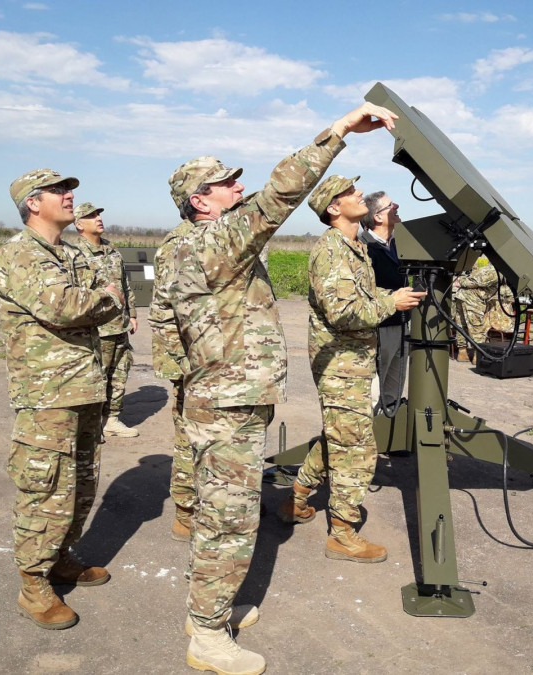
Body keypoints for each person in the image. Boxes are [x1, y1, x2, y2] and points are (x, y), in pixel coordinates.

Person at [167, 102, 399, 675]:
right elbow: (280, 194)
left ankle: (207, 613)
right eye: (225, 183)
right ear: (202, 201)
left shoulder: (186, 244)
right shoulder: (212, 241)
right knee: (229, 521)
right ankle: (207, 637)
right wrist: (341, 129)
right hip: (226, 401)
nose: (237, 186)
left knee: (224, 516)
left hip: (222, 396)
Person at [0, 169, 125, 630]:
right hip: (46, 394)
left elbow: (100, 302)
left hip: (85, 386)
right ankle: (34, 585)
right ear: (33, 202)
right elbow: (64, 307)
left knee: (80, 485)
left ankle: (61, 557)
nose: (71, 197)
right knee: (45, 490)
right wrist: (102, 298)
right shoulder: (17, 253)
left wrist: (99, 299)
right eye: (60, 191)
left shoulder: (70, 253)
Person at [277, 175, 425, 565]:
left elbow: (360, 296)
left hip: (354, 359)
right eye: (349, 193)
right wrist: (391, 303)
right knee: (357, 448)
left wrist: (395, 297)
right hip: (340, 362)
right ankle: (342, 533)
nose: (358, 194)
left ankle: (296, 497)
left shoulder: (353, 245)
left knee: (340, 436)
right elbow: (343, 312)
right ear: (334, 208)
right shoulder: (331, 250)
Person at [149, 218, 198, 542]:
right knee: (189, 437)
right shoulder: (181, 242)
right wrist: (188, 365)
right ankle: (186, 512)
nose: (238, 189)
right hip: (193, 366)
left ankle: (209, 503)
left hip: (216, 363)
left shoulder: (213, 235)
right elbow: (165, 313)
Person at [73, 202, 139, 438]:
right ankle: (90, 425)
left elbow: (125, 283)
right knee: (95, 376)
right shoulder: (74, 253)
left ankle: (111, 419)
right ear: (79, 224)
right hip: (96, 328)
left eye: (99, 214)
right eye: (91, 216)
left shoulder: (112, 250)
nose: (98, 218)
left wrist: (132, 314)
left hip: (119, 324)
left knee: (119, 374)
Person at [358, 191, 408, 415]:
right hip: (378, 329)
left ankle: (389, 438)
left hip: (400, 326)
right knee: (373, 391)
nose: (397, 206)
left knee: (393, 390)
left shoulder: (399, 246)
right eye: (390, 205)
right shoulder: (363, 248)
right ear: (377, 217)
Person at [453, 262, 513, 362]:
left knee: (461, 325)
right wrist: (461, 280)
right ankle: (478, 356)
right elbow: (472, 283)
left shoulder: (492, 269)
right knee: (476, 326)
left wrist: (460, 280)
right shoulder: (495, 272)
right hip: (472, 299)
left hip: (462, 296)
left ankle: (462, 352)